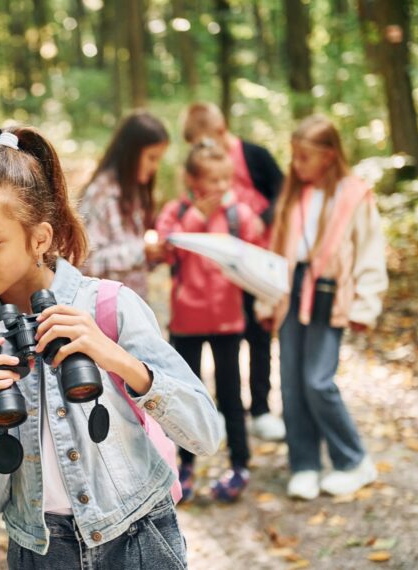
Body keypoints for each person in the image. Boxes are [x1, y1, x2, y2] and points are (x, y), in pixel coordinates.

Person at [0, 126, 221, 568]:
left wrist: (114, 358)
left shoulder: (110, 306)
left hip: (138, 539)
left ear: (39, 239)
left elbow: (205, 433)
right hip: (40, 553)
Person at [257, 114, 387, 500]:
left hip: (331, 292)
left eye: (304, 158)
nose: (296, 165)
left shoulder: (354, 194)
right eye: (294, 157)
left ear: (329, 156)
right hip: (290, 289)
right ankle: (305, 464)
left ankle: (353, 460)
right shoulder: (293, 195)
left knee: (318, 380)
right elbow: (276, 253)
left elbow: (370, 252)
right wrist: (268, 299)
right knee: (292, 382)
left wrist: (366, 305)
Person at [156, 140, 266, 502]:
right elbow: (166, 247)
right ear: (191, 179)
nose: (221, 187)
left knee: (231, 395)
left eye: (226, 179)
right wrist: (195, 220)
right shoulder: (177, 212)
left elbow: (257, 257)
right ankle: (184, 465)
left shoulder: (240, 215)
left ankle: (240, 463)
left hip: (228, 323)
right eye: (212, 180)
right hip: (186, 321)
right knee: (187, 396)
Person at [181, 102, 286, 441]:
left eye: (206, 141)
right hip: (220, 268)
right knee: (228, 340)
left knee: (258, 335)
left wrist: (263, 220)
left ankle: (260, 408)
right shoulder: (203, 173)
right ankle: (228, 410)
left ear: (221, 131)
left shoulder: (256, 156)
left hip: (258, 260)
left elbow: (285, 194)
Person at [79, 110, 170, 299]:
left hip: (131, 308)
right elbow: (86, 263)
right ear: (131, 153)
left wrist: (155, 256)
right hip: (105, 313)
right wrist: (140, 251)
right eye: (151, 158)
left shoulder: (134, 192)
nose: (155, 167)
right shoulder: (101, 195)